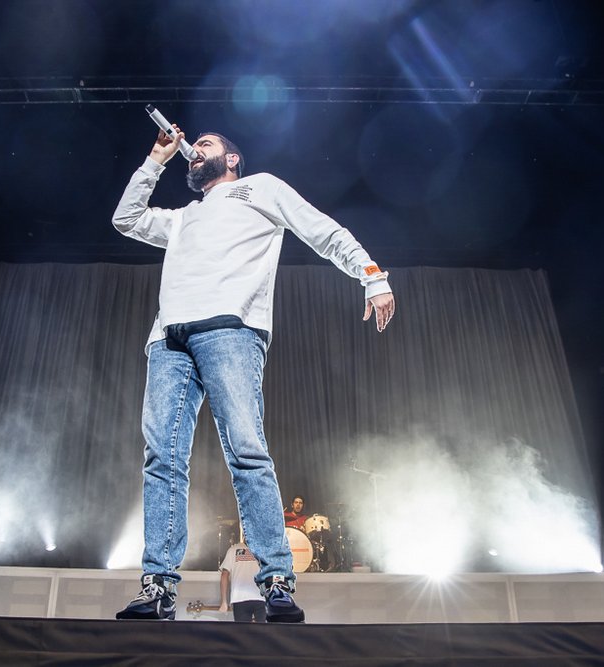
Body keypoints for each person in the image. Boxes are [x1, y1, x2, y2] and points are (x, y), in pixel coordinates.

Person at [112, 121, 395, 623]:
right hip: (168, 340)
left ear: (232, 159)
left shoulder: (259, 188)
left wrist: (371, 275)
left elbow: (323, 232)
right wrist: (156, 159)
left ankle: (277, 581)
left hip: (232, 330)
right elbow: (126, 218)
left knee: (246, 452)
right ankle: (158, 586)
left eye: (205, 145)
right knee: (161, 460)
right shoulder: (183, 217)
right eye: (193, 147)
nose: (195, 150)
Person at [218, 534, 267, 622]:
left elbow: (224, 575)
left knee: (242, 630)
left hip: (240, 598)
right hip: (261, 598)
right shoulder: (264, 551)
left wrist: (224, 602)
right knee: (262, 630)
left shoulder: (233, 550)